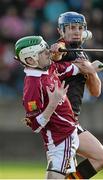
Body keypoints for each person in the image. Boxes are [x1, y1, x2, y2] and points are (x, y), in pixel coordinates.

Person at [50, 11, 103, 179]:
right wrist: (56, 50)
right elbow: (57, 54)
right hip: (60, 121)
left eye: (79, 28)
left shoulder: (82, 53)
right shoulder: (63, 47)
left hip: (71, 120)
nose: (76, 31)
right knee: (102, 158)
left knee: (72, 171)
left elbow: (96, 92)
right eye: (71, 28)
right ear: (61, 31)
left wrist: (91, 72)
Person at [15, 35, 83, 179]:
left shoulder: (47, 68)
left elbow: (67, 68)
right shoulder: (33, 85)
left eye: (46, 48)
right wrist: (53, 103)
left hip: (66, 136)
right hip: (59, 141)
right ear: (30, 60)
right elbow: (34, 125)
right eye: (43, 52)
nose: (48, 53)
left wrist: (88, 67)